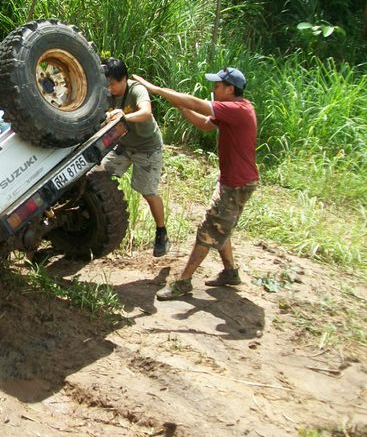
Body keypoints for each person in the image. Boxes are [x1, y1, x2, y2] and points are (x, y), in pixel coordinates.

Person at [132, 67, 259, 300]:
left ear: (230, 89)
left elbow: (196, 103)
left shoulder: (236, 109)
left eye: (218, 86)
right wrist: (180, 106)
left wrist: (156, 90)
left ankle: (183, 282)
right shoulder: (235, 108)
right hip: (233, 182)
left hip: (236, 184)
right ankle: (230, 272)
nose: (214, 89)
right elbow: (204, 124)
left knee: (207, 232)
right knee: (219, 224)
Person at [101, 58, 170, 256]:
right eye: (107, 84)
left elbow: (146, 112)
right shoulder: (105, 93)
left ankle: (161, 232)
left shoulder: (136, 90)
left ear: (124, 79)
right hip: (123, 146)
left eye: (113, 84)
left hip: (147, 148)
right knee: (98, 174)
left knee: (148, 192)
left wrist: (123, 117)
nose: (110, 88)